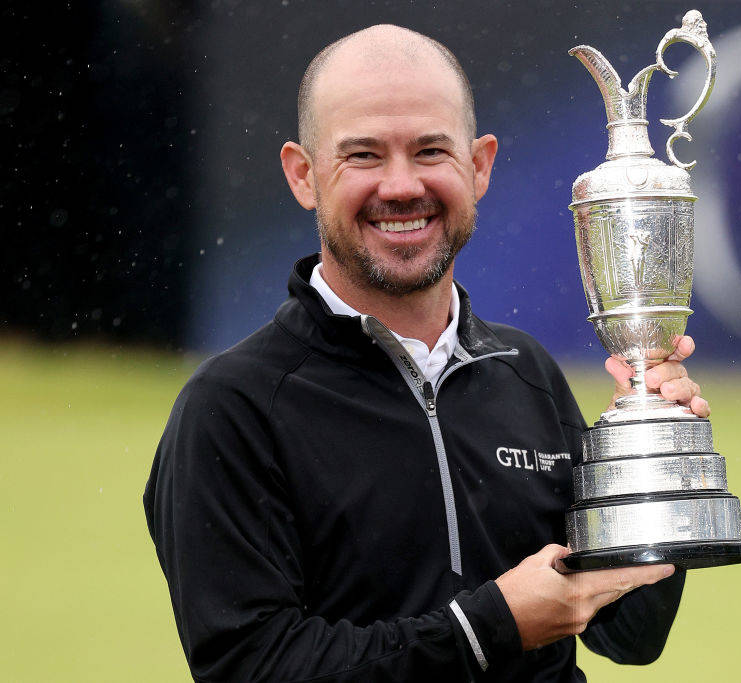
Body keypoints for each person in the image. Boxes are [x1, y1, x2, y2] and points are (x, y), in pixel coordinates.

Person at [144, 24, 710, 682]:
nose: (401, 185)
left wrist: (650, 464)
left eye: (430, 150)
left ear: (479, 166)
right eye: (363, 155)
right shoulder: (233, 408)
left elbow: (630, 631)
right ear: (303, 174)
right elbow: (253, 666)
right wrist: (487, 627)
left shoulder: (526, 375)